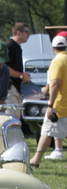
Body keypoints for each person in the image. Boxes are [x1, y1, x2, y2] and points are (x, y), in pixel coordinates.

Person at [30, 35, 67, 164]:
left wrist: (50, 105)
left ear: (53, 48)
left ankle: (35, 160)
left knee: (46, 132)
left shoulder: (57, 61)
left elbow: (55, 84)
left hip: (60, 106)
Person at [5, 23, 33, 110]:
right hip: (9, 89)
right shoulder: (9, 46)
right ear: (18, 33)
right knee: (12, 118)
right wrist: (21, 75)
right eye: (27, 32)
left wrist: (23, 75)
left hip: (16, 89)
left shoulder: (17, 47)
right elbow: (6, 68)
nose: (29, 35)